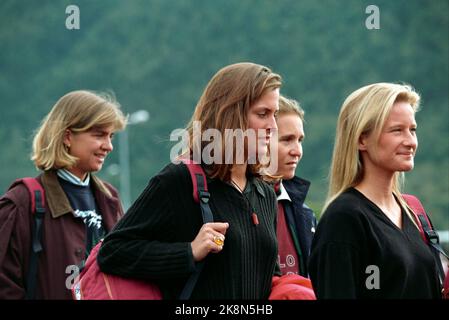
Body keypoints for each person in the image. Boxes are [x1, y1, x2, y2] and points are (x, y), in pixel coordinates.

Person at [97, 62, 282, 299]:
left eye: (274, 114)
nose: (273, 126)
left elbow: (266, 276)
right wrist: (189, 252)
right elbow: (113, 251)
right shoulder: (180, 180)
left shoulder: (265, 193)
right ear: (230, 115)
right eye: (262, 114)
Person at [308, 83, 442, 299]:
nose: (411, 141)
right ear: (362, 139)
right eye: (397, 130)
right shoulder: (344, 219)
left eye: (412, 129)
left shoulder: (413, 211)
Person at [0, 90, 127, 299]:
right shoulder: (22, 201)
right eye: (99, 135)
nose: (109, 146)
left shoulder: (109, 198)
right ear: (68, 136)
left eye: (110, 136)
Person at [271, 96, 316, 277]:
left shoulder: (305, 215)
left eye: (300, 140)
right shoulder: (237, 208)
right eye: (287, 140)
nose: (297, 151)